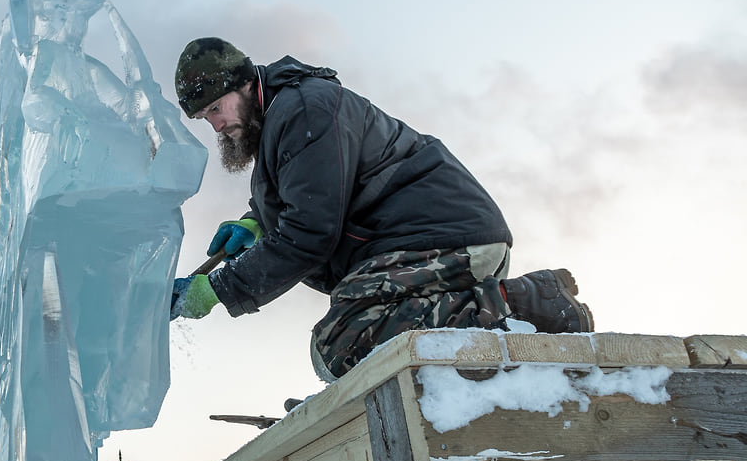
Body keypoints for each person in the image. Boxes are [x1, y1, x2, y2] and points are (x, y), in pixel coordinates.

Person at [169, 37, 593, 382]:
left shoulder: (304, 109)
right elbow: (306, 197)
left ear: (244, 84)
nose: (216, 125)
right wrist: (254, 224)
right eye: (205, 117)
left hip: (446, 238)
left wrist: (219, 289)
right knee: (353, 341)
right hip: (417, 244)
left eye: (215, 108)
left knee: (344, 342)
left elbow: (309, 231)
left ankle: (526, 304)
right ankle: (425, 375)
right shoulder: (283, 118)